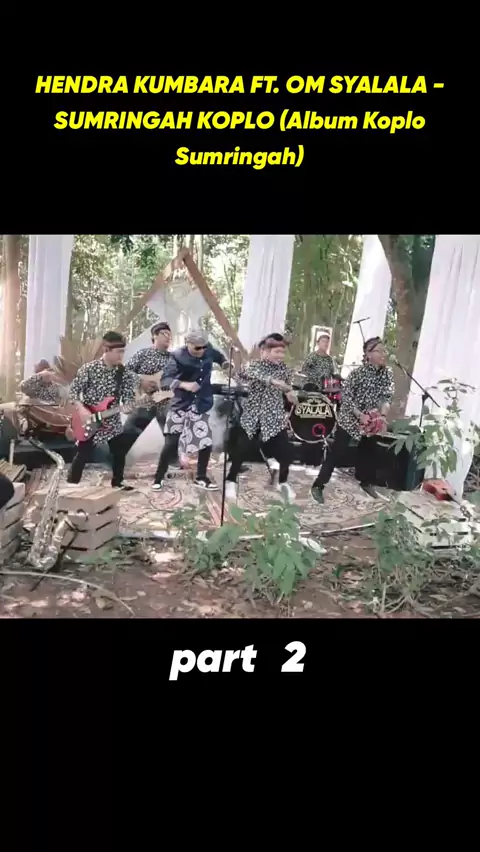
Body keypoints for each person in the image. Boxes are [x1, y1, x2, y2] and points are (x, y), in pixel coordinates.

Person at [311, 336, 394, 504]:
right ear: (368, 354)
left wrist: (383, 416)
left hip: (370, 420)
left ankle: (366, 482)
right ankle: (318, 485)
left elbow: (386, 397)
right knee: (337, 453)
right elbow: (345, 398)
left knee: (370, 451)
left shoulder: (387, 373)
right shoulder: (357, 374)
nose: (383, 354)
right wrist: (359, 415)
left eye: (384, 350)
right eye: (379, 351)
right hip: (350, 418)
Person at [152, 330, 230, 491]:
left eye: (204, 347)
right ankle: (158, 477)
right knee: (171, 443)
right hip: (181, 403)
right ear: (188, 343)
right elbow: (165, 379)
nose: (201, 350)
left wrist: (226, 364)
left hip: (200, 403)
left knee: (205, 442)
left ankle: (201, 477)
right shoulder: (176, 356)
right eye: (197, 348)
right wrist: (184, 384)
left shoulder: (208, 349)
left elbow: (220, 357)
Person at [225, 337, 297, 502]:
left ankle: (282, 482)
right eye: (277, 351)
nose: (280, 355)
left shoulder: (285, 370)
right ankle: (231, 480)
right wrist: (275, 382)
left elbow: (288, 388)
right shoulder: (255, 366)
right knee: (241, 450)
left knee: (287, 452)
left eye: (282, 352)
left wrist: (290, 393)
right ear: (265, 352)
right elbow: (250, 375)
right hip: (253, 415)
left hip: (273, 417)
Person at [67, 331, 137, 489]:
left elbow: (127, 398)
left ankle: (117, 482)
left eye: (123, 352)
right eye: (118, 352)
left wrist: (128, 407)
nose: (121, 356)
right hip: (89, 419)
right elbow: (73, 392)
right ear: (106, 350)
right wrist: (81, 409)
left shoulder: (124, 374)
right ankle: (72, 484)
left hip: (111, 421)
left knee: (119, 451)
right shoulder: (89, 369)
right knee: (83, 453)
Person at [123, 321, 180, 466]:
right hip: (144, 400)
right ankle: (114, 458)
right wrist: (141, 382)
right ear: (155, 335)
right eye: (165, 334)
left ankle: (172, 462)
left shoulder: (174, 359)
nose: (168, 337)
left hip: (164, 399)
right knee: (129, 432)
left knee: (172, 429)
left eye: (170, 335)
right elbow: (125, 372)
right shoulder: (143, 354)